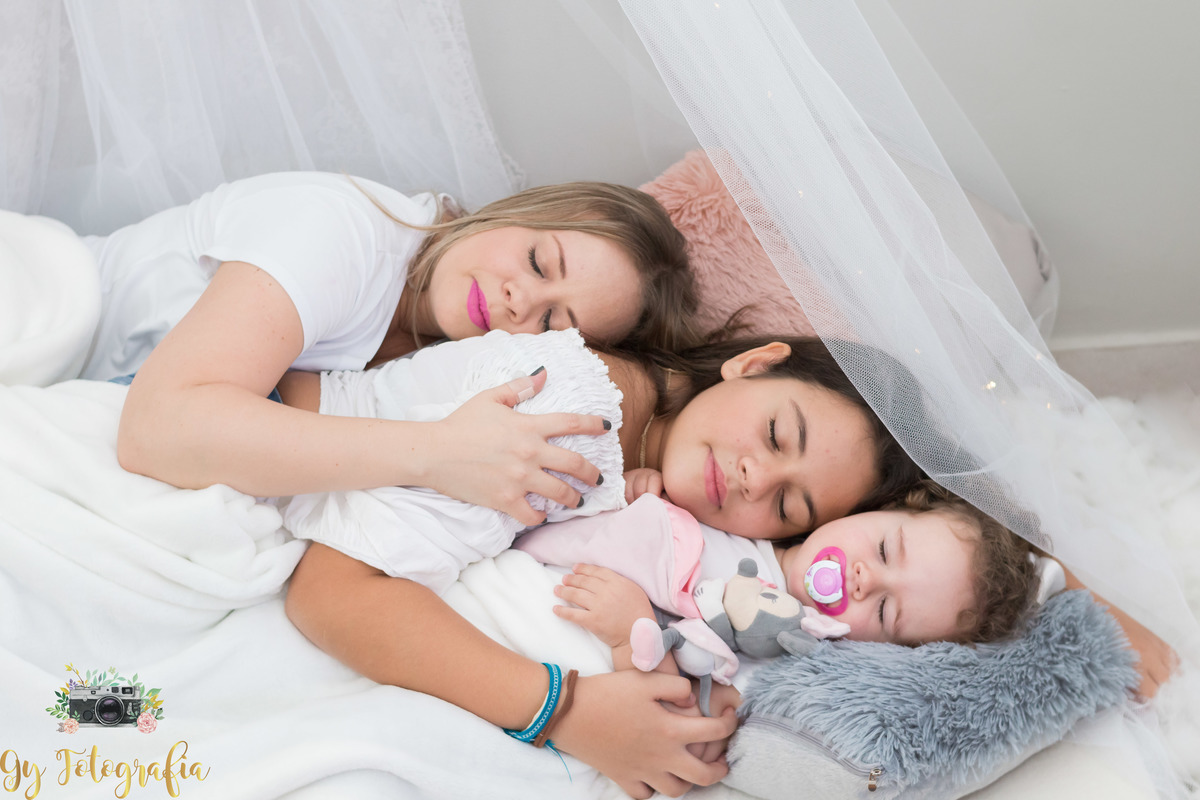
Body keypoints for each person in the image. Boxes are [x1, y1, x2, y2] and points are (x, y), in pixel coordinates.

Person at [284, 332, 926, 798]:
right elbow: (329, 594)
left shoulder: (658, 477)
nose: (755, 478)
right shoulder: (568, 422)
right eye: (777, 436)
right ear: (755, 365)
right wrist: (568, 711)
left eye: (787, 504)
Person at [88, 172, 699, 522]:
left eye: (550, 323)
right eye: (539, 261)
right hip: (51, 321)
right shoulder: (340, 234)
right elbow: (155, 428)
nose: (520, 300)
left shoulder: (450, 356)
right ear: (520, 210)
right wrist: (435, 452)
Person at [518, 483, 1037, 693]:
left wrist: (627, 633)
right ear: (881, 507)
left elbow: (673, 706)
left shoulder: (776, 657)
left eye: (884, 611)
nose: (866, 579)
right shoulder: (732, 507)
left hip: (552, 663)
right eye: (883, 550)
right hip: (520, 565)